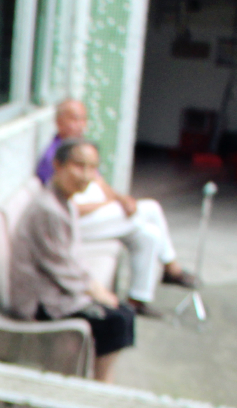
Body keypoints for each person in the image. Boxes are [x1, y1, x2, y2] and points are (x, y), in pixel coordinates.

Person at [37, 99, 195, 315]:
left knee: (149, 234)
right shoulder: (55, 157)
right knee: (150, 209)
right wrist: (109, 204)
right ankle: (171, 267)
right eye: (73, 119)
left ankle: (138, 300)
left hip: (96, 217)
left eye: (83, 119)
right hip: (73, 223)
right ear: (59, 122)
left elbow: (100, 184)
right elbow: (68, 207)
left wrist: (121, 199)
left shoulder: (80, 150)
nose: (80, 125)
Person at [11, 138, 136, 383]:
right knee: (116, 321)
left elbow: (68, 261)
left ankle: (101, 379)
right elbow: (61, 268)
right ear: (58, 165)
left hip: (57, 291)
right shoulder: (48, 208)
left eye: (92, 168)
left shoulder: (64, 201)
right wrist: (97, 292)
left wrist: (96, 291)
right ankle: (101, 384)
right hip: (41, 303)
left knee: (124, 313)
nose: (86, 175)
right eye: (79, 166)